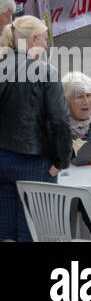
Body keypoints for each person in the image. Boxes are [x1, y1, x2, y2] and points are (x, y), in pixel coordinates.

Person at [0, 17, 70, 242]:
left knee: (4, 232)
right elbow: (60, 121)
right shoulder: (44, 71)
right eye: (45, 38)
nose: (47, 44)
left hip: (2, 159)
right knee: (33, 233)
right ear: (33, 39)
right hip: (35, 161)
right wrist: (61, 160)